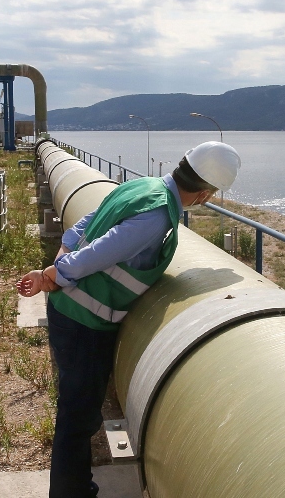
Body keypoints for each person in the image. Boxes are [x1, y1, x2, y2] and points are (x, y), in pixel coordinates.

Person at [17, 141, 241, 498]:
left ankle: (76, 486)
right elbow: (102, 251)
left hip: (70, 312)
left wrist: (60, 256)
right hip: (84, 323)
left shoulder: (144, 186)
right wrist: (53, 275)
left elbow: (86, 222)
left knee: (78, 411)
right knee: (77, 418)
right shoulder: (157, 216)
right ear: (204, 194)